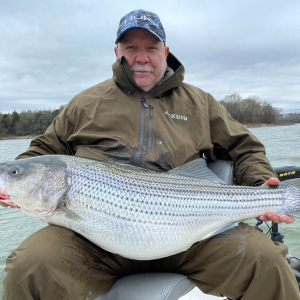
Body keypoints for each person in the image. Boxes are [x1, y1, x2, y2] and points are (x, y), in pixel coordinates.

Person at [1, 9, 298, 300]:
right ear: (117, 52)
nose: (141, 58)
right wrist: (14, 182)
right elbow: (40, 154)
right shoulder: (85, 104)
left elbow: (244, 146)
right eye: (131, 48)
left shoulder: (200, 104)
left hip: (192, 233)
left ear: (165, 52)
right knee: (27, 267)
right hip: (92, 240)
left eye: (151, 48)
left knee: (267, 263)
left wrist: (262, 183)